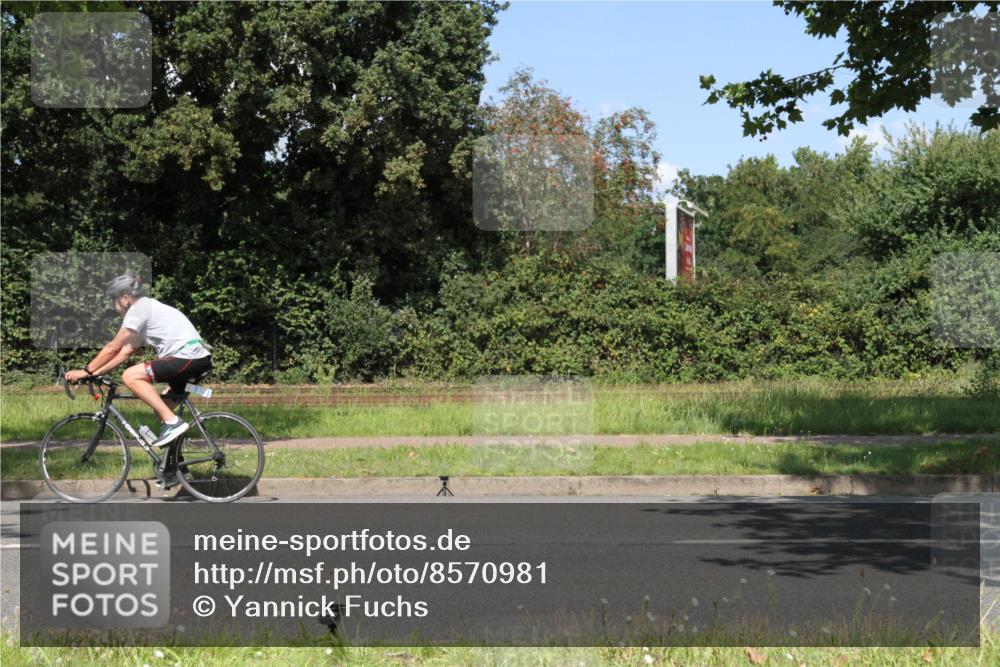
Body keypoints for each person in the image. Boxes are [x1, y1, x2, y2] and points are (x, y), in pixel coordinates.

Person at [64, 274, 213, 447]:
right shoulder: (147, 310)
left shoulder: (139, 310)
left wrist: (85, 371)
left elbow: (113, 347)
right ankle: (175, 468)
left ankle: (173, 423)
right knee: (161, 410)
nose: (114, 307)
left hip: (187, 357)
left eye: (115, 301)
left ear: (126, 298)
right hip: (195, 359)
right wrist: (96, 373)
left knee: (130, 376)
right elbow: (125, 351)